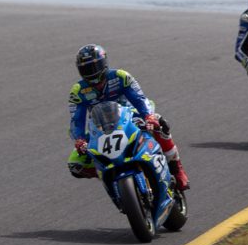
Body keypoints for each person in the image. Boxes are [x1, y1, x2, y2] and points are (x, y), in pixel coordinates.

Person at [67, 45, 190, 190]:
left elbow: (139, 99)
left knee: (160, 123)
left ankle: (177, 168)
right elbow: (76, 120)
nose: (91, 73)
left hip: (131, 115)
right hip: (101, 127)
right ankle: (108, 175)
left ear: (104, 63)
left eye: (94, 67)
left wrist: (148, 116)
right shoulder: (78, 91)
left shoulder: (121, 76)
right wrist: (80, 139)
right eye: (86, 69)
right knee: (75, 164)